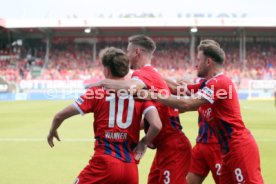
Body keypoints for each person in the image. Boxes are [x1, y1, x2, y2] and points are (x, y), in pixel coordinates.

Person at [142, 40, 264, 184]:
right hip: (226, 150)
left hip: (239, 147)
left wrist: (152, 94)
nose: (195, 64)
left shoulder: (220, 83)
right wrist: (150, 74)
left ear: (208, 62)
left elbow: (187, 103)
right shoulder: (206, 85)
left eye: (198, 60)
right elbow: (177, 89)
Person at [47, 47, 162, 184]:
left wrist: (52, 130)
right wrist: (144, 142)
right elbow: (156, 125)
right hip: (130, 168)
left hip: (104, 164)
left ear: (107, 70)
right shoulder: (140, 93)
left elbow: (59, 116)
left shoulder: (97, 92)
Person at [86, 35, 192, 184]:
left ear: (137, 52)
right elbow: (156, 117)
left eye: (128, 51)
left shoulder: (142, 74)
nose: (126, 55)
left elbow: (130, 87)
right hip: (165, 147)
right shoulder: (153, 74)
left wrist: (103, 83)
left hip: (173, 147)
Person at [165, 77, 222, 184]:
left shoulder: (217, 86)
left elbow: (186, 104)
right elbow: (183, 103)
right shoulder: (202, 87)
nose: (197, 66)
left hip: (216, 146)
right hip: (201, 145)